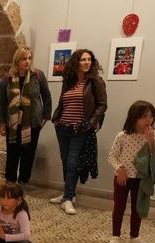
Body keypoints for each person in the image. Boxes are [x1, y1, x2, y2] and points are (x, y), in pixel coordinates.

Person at [50, 49, 107, 214]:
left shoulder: (96, 81)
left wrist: (90, 123)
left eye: (89, 59)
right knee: (66, 161)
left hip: (80, 128)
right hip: (62, 127)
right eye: (83, 59)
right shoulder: (68, 81)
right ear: (76, 62)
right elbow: (63, 102)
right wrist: (56, 119)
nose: (87, 62)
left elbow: (102, 105)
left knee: (72, 162)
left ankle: (67, 199)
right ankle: (69, 194)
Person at [107, 100, 155, 243]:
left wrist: (150, 141)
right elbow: (112, 156)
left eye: (151, 116)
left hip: (142, 178)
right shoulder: (123, 136)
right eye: (144, 116)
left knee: (138, 209)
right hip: (123, 177)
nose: (148, 120)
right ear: (134, 117)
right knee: (119, 206)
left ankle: (134, 237)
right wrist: (120, 169)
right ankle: (115, 236)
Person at [0, 46, 52, 184]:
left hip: (32, 122)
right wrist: (2, 123)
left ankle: (23, 182)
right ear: (17, 60)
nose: (27, 61)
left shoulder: (38, 75)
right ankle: (10, 181)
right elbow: (2, 102)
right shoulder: (8, 78)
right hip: (13, 123)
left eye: (29, 58)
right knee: (12, 153)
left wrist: (45, 118)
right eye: (24, 59)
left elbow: (47, 97)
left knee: (28, 154)